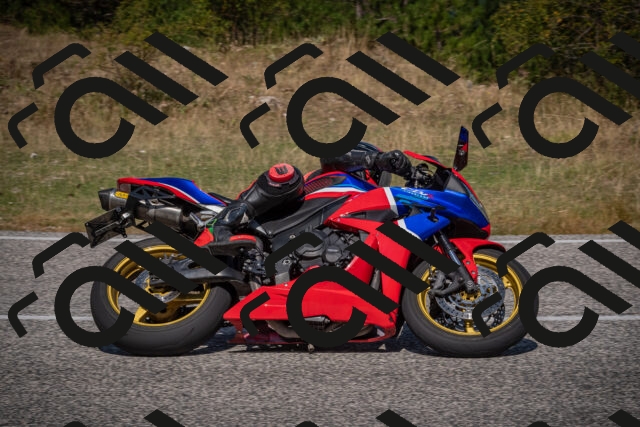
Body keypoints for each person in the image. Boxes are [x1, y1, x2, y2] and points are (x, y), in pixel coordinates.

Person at [206, 143, 412, 255]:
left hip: (279, 248)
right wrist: (377, 159)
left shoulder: (364, 209)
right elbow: (331, 155)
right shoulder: (333, 178)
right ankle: (222, 225)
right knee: (287, 175)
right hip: (263, 220)